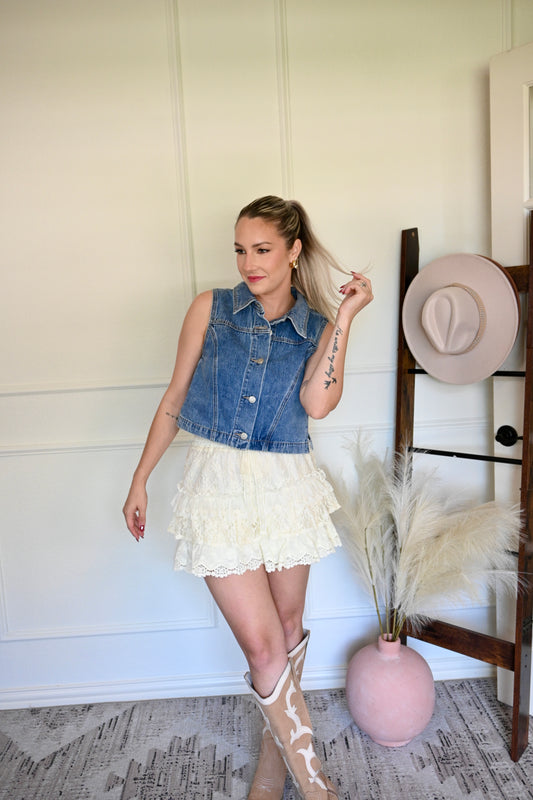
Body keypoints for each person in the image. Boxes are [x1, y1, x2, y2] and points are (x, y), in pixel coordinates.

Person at [123, 195, 373, 799]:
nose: (249, 263)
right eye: (240, 250)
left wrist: (345, 318)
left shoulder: (314, 328)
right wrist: (140, 478)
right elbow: (174, 398)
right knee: (262, 646)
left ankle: (272, 756)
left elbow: (317, 404)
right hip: (218, 486)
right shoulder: (210, 309)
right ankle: (316, 785)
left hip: (287, 484)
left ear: (294, 251)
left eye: (262, 249)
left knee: (287, 628)